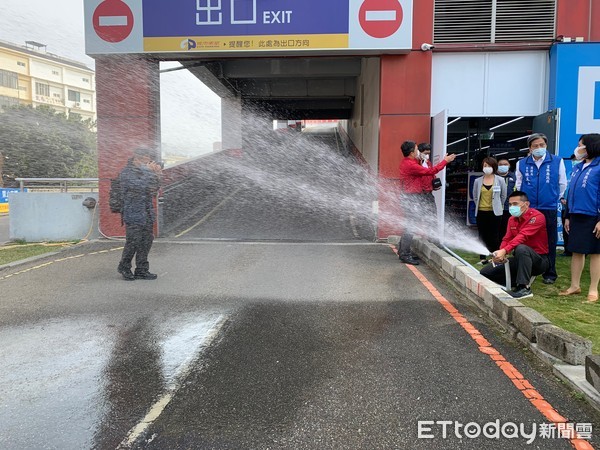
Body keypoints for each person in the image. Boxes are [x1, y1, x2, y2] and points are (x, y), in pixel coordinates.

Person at [515, 133, 567, 284]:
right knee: (527, 238)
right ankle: (528, 269)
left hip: (548, 207)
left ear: (546, 146)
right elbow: (519, 184)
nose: (539, 148)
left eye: (542, 145)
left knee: (549, 240)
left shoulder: (557, 161)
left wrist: (553, 197)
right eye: (535, 146)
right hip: (529, 208)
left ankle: (550, 273)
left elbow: (562, 183)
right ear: (530, 148)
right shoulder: (522, 163)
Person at [480, 191, 549, 299]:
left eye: (515, 204)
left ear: (526, 204)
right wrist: (500, 253)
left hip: (539, 260)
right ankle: (515, 284)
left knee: (521, 248)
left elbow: (523, 236)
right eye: (510, 204)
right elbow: (507, 238)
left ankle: (524, 288)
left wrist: (505, 250)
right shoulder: (512, 219)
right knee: (485, 273)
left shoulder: (537, 217)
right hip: (519, 259)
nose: (512, 207)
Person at [397, 140, 456, 265]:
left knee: (410, 225)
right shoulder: (410, 164)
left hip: (412, 197)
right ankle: (404, 254)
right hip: (411, 198)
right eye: (417, 149)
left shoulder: (412, 162)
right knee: (411, 226)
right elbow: (430, 171)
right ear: (412, 152)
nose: (419, 151)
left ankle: (402, 250)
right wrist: (445, 161)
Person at [559, 133, 600, 303]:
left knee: (596, 253)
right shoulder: (577, 167)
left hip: (593, 215)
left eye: (581, 145)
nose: (578, 148)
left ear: (591, 146)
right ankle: (574, 285)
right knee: (576, 251)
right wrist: (567, 216)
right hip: (576, 215)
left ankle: (593, 289)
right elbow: (572, 193)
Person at [117, 147, 162, 281]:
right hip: (133, 213)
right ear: (138, 159)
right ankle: (124, 267)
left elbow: (153, 189)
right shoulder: (126, 173)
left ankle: (142, 269)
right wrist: (149, 172)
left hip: (146, 213)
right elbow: (138, 186)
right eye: (146, 160)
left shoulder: (145, 172)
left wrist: (157, 175)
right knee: (133, 242)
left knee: (146, 241)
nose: (148, 163)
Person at [472, 157, 507, 263]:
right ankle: (482, 257)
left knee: (494, 234)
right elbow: (475, 196)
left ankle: (494, 255)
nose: (486, 168)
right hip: (481, 212)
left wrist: (498, 206)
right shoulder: (478, 181)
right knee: (482, 234)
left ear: (494, 167)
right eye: (484, 166)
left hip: (495, 212)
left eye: (489, 166)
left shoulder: (500, 180)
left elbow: (503, 196)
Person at [497, 158, 516, 240]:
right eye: (500, 164)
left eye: (505, 164)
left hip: (509, 208)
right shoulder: (493, 177)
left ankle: (506, 247)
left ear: (509, 166)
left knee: (507, 229)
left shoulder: (514, 177)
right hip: (495, 208)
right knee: (496, 228)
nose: (503, 166)